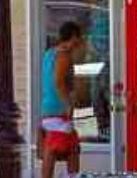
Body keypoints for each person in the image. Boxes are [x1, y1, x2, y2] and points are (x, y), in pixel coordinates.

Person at [40, 23, 88, 178]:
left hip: (47, 108)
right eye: (78, 37)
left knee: (54, 147)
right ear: (73, 36)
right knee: (71, 148)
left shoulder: (49, 53)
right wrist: (68, 104)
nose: (80, 41)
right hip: (60, 109)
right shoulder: (64, 55)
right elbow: (59, 81)